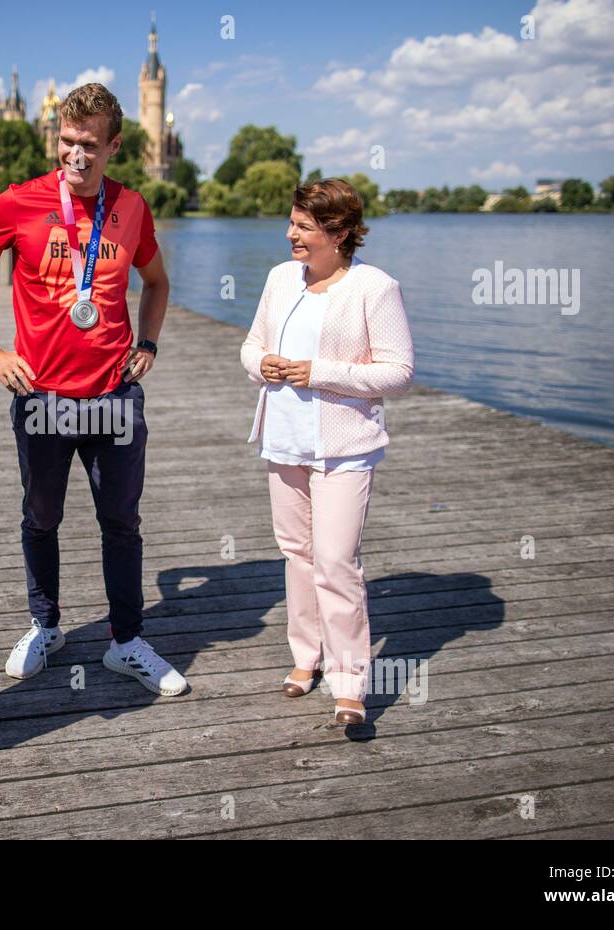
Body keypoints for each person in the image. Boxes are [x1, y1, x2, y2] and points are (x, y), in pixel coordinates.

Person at [0, 83, 187, 696]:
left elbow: (156, 282)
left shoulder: (131, 209)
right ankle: (45, 625)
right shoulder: (19, 203)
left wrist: (148, 344)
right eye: (67, 142)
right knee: (41, 518)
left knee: (121, 522)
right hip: (43, 396)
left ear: (114, 147)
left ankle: (125, 642)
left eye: (90, 146)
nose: (76, 156)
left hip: (112, 397)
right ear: (58, 138)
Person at [240, 178, 414, 726]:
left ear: (339, 234)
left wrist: (322, 374)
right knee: (296, 553)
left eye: (303, 226)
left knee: (336, 563)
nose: (289, 234)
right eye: (292, 222)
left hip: (344, 447)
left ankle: (349, 684)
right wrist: (260, 364)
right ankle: (305, 658)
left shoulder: (375, 288)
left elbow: (398, 371)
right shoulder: (279, 279)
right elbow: (252, 343)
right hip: (285, 437)